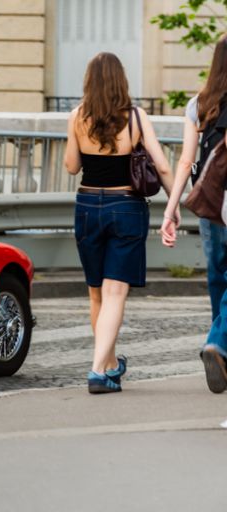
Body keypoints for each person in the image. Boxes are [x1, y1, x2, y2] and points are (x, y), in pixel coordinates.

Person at [64, 52, 175, 394]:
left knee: (96, 293)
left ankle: (110, 365)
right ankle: (98, 371)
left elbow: (71, 166)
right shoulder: (136, 118)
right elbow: (164, 166)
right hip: (125, 206)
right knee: (115, 293)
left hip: (87, 207)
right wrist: (174, 205)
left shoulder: (77, 117)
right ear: (120, 81)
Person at [160, 35, 227, 393]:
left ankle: (220, 348)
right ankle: (218, 344)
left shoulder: (198, 105)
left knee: (218, 273)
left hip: (210, 201)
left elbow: (186, 162)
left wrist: (170, 211)